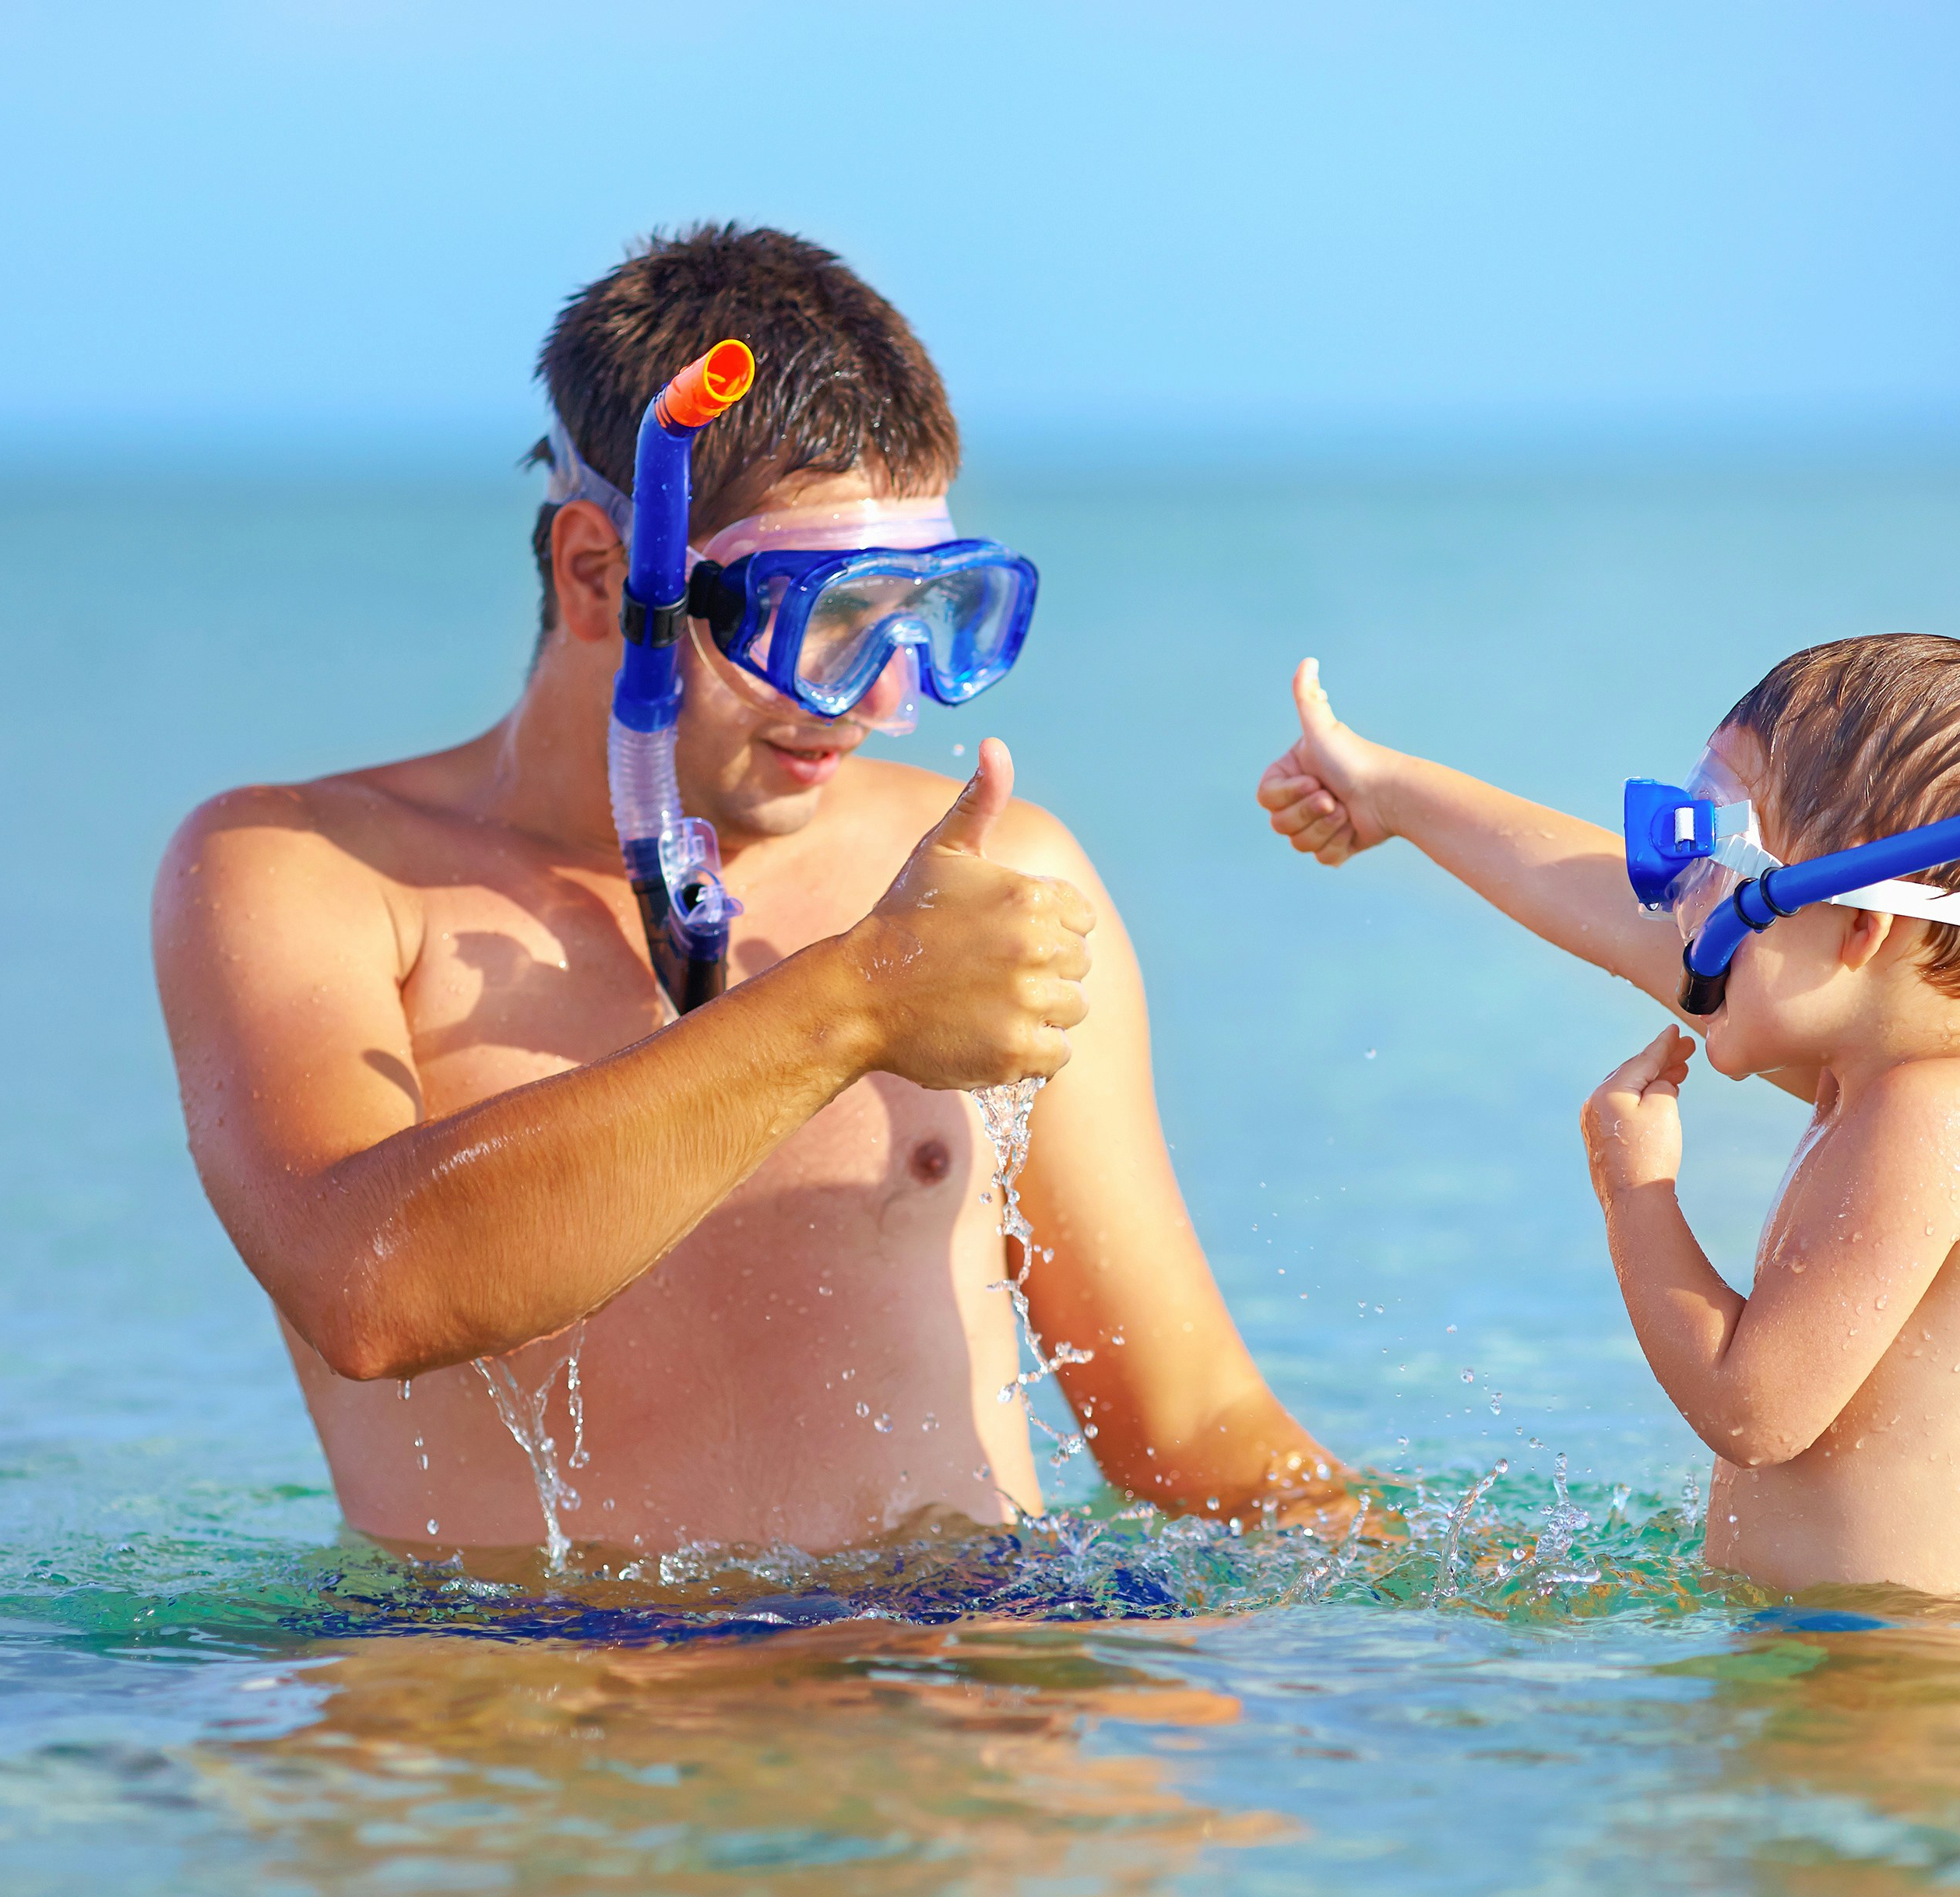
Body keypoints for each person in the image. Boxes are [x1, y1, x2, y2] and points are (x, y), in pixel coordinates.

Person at [153, 224, 1341, 1557]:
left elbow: (1189, 1432)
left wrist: (1472, 1658)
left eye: (929, 615)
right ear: (601, 573)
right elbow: (371, 1293)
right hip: (526, 1720)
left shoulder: (992, 880)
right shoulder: (313, 874)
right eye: (825, 619)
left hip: (952, 1706)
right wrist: (847, 1007)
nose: (888, 700)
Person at [1258, 636, 1960, 1595]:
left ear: (1862, 927)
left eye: (1718, 862)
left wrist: (1635, 1191)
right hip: (1836, 1667)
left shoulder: (1939, 1117)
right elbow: (1606, 912)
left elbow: (1752, 1409)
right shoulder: (1884, 1055)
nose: (1677, 902)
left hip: (1900, 1701)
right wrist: (1391, 793)